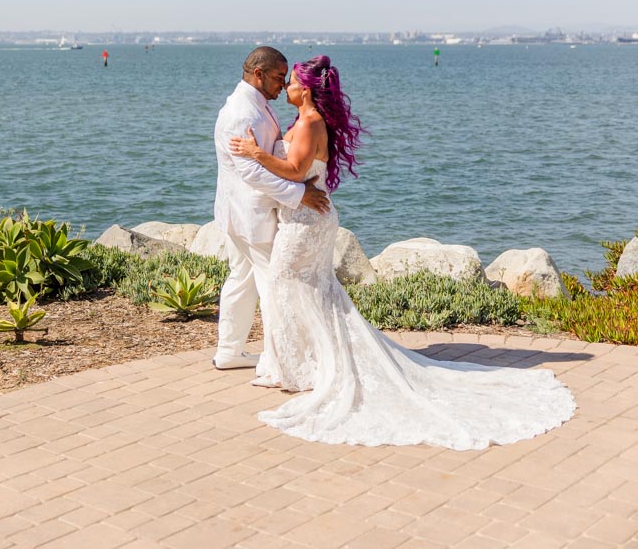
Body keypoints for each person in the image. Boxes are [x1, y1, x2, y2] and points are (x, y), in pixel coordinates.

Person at [229, 54, 576, 449]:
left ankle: (308, 368)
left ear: (304, 89)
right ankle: (306, 364)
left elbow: (293, 170)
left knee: (290, 285)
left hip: (306, 224)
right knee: (306, 289)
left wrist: (255, 153)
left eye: (290, 81)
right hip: (304, 219)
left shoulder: (309, 123)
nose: (286, 86)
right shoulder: (301, 121)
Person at [212, 47, 330, 371]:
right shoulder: (242, 113)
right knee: (271, 284)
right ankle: (278, 360)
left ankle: (230, 351)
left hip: (240, 211)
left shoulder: (255, 105)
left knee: (243, 278)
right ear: (258, 74)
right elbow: (249, 171)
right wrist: (298, 194)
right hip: (252, 214)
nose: (282, 85)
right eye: (279, 78)